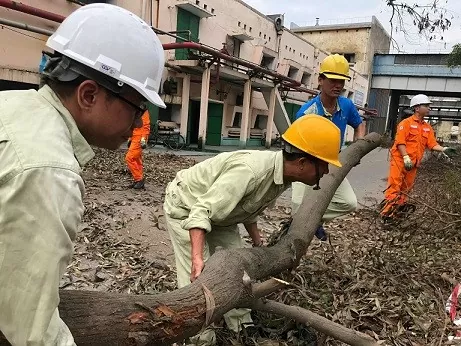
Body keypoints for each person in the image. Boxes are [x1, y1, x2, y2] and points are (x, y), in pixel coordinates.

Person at [0, 4, 166, 345]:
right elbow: (32, 332)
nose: (138, 123)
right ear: (88, 94)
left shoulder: (11, 105)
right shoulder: (50, 173)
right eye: (137, 108)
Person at [163, 115, 342, 345]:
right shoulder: (250, 171)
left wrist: (258, 243)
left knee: (239, 274)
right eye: (324, 164)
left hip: (222, 217)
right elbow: (200, 212)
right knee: (199, 282)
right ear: (302, 162)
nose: (326, 171)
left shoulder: (282, 176)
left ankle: (241, 327)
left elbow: (249, 207)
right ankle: (199, 339)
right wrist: (197, 259)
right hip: (186, 208)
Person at [292, 54, 366, 240]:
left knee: (348, 203)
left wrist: (358, 143)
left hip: (332, 162)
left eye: (341, 81)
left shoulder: (346, 105)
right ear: (320, 80)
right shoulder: (307, 113)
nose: (338, 85)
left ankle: (314, 219)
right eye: (333, 80)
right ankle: (295, 236)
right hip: (306, 161)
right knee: (297, 205)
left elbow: (359, 124)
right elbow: (296, 146)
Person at [380, 94, 456, 220]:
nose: (429, 108)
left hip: (414, 164)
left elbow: (432, 144)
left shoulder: (427, 128)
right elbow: (400, 142)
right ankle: (387, 214)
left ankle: (398, 212)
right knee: (394, 187)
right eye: (426, 106)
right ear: (416, 108)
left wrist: (444, 149)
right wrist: (405, 157)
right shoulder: (406, 123)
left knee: (406, 189)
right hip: (400, 161)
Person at [126, 110, 151, 189]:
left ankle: (139, 179)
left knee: (129, 158)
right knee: (136, 159)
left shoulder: (143, 112)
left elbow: (146, 126)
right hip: (135, 137)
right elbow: (133, 126)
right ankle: (138, 180)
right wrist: (130, 138)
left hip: (139, 138)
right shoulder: (138, 111)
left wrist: (143, 139)